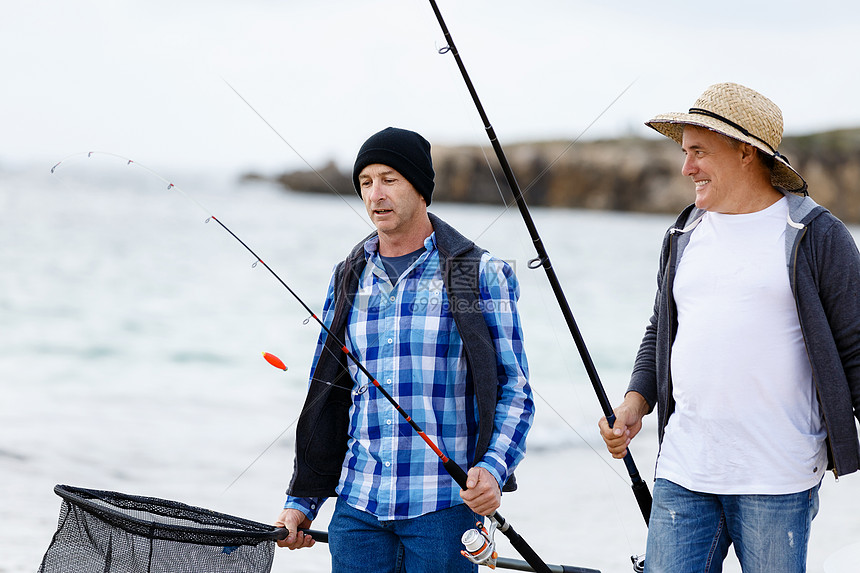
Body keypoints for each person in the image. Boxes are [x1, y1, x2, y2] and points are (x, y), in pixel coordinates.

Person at [598, 83, 860, 572]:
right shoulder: (683, 232)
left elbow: (856, 348)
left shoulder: (816, 234)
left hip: (777, 477)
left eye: (699, 151)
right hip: (683, 469)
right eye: (684, 152)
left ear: (745, 152)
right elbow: (662, 328)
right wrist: (636, 401)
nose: (686, 167)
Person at [275, 127, 534, 572]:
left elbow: (514, 389)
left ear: (420, 187)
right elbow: (327, 395)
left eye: (389, 179)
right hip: (358, 513)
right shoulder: (348, 277)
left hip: (444, 512)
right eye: (366, 182)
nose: (376, 194)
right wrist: (302, 502)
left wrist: (493, 468)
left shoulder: (477, 273)